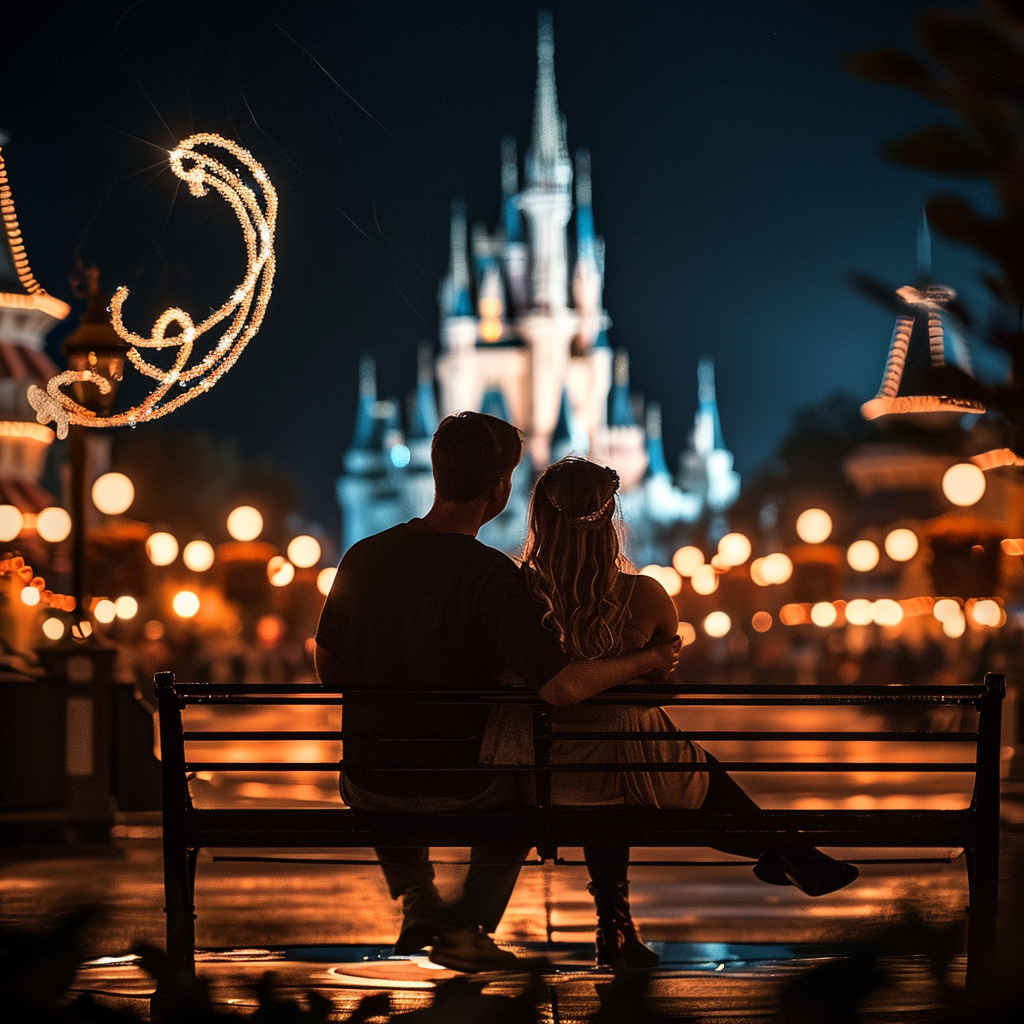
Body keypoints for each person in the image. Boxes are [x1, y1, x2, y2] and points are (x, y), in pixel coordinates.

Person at [314, 415, 680, 973]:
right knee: (526, 786)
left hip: (369, 782)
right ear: (500, 489)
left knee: (391, 753)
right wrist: (650, 658)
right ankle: (468, 926)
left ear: (436, 474)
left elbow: (328, 669)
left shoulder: (362, 557)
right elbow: (560, 687)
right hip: (465, 782)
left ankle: (417, 895)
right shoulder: (494, 577)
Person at [482, 457, 859, 970]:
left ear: (539, 522)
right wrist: (643, 662)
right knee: (655, 753)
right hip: (627, 773)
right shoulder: (645, 595)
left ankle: (626, 924)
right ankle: (787, 850)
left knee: (610, 765)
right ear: (610, 519)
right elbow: (662, 689)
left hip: (538, 775)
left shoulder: (515, 594)